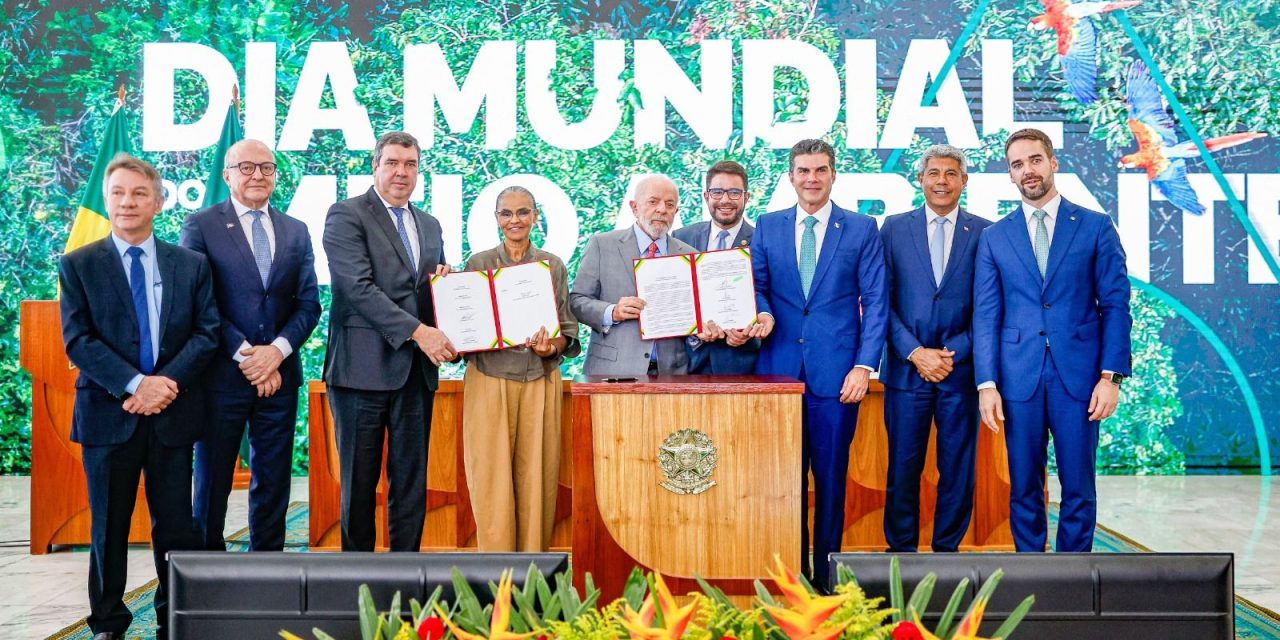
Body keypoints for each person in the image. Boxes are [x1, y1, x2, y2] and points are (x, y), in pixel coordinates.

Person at [59, 153, 219, 640]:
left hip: (173, 413)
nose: (127, 202)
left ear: (159, 201)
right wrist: (135, 385)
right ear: (107, 201)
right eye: (118, 194)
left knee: (175, 527)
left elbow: (207, 332)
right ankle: (108, 623)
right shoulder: (78, 265)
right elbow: (78, 339)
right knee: (108, 527)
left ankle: (175, 618)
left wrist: (162, 385)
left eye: (138, 193)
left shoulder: (190, 264)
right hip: (109, 415)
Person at [974, 128, 1132, 552]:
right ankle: (1033, 576)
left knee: (1078, 483)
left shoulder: (1095, 226)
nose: (1028, 170)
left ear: (1052, 162)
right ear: (1010, 175)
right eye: (1018, 164)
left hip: (1079, 380)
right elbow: (986, 314)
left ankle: (1074, 577)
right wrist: (986, 384)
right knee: (1023, 483)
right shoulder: (995, 237)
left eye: (1035, 160)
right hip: (1017, 379)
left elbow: (1115, 305)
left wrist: (1111, 377)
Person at [748, 139, 887, 588]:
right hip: (779, 374)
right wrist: (763, 310)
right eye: (803, 170)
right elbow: (758, 286)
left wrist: (864, 367)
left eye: (820, 170)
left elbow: (877, 301)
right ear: (791, 177)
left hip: (838, 377)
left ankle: (828, 578)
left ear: (833, 174)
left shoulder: (862, 228)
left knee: (830, 482)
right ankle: (790, 578)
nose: (812, 178)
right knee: (783, 486)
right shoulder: (767, 228)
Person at [181, 139, 321, 552]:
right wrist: (247, 355)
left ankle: (267, 569)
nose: (257, 175)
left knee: (275, 477)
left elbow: (308, 302)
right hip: (221, 376)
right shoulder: (201, 224)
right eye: (246, 167)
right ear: (227, 174)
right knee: (212, 479)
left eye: (267, 167)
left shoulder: (296, 230)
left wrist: (275, 352)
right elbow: (197, 299)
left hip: (279, 378)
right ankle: (207, 570)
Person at [323, 131, 453, 552]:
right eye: (393, 163)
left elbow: (425, 291)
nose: (402, 172)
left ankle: (405, 577)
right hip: (361, 371)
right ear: (375, 165)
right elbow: (357, 289)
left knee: (411, 484)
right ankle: (356, 584)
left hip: (415, 374)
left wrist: (446, 291)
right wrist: (420, 332)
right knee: (359, 486)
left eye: (410, 164)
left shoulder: (429, 224)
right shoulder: (346, 215)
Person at [878, 144, 991, 553]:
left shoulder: (985, 232)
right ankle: (900, 552)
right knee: (903, 468)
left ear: (964, 180)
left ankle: (949, 553)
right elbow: (880, 301)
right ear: (920, 180)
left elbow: (989, 305)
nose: (941, 180)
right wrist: (914, 352)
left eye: (950, 173)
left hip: (960, 373)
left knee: (958, 470)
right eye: (934, 173)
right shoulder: (893, 228)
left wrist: (951, 354)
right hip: (907, 373)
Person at [461, 186, 580, 551]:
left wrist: (550, 347)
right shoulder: (478, 264)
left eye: (523, 212)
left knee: (537, 479)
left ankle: (533, 576)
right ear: (496, 219)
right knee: (491, 482)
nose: (515, 220)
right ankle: (494, 579)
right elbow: (464, 329)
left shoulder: (552, 264)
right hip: (488, 378)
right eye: (507, 213)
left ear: (535, 216)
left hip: (538, 378)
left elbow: (568, 332)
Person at [571, 174, 696, 376]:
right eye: (653, 202)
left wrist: (699, 332)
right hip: (611, 372)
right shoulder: (602, 244)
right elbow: (576, 301)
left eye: (670, 204)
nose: (662, 209)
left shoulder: (689, 255)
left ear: (676, 211)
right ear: (634, 207)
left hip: (672, 374)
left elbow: (694, 318)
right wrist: (612, 312)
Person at [672, 160, 760, 374]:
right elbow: (675, 297)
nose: (725, 200)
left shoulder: (762, 241)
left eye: (734, 193)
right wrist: (694, 330)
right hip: (690, 364)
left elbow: (770, 297)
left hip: (743, 363)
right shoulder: (681, 238)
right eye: (717, 192)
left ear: (746, 197)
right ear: (706, 196)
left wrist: (750, 332)